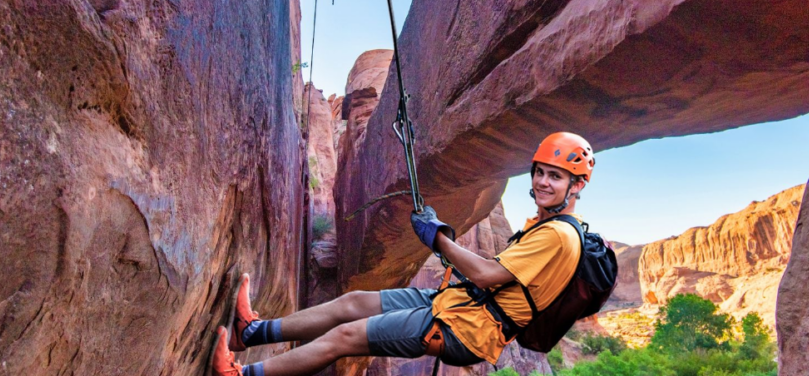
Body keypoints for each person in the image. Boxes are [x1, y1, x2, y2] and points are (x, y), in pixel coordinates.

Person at [211, 132, 597, 376]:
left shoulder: (559, 236)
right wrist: (438, 233)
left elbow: (488, 275)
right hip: (456, 303)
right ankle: (252, 332)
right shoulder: (545, 225)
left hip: (464, 328)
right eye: (540, 172)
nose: (543, 182)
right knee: (353, 303)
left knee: (346, 336)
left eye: (556, 176)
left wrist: (438, 237)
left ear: (576, 185)